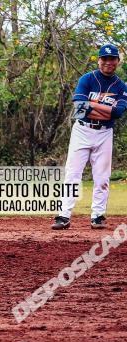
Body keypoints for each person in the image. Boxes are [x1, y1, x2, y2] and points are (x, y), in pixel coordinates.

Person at [52, 44, 127, 230]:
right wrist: (105, 110)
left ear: (117, 61)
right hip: (82, 131)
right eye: (105, 59)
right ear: (98, 60)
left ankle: (97, 216)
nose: (108, 62)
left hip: (104, 133)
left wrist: (92, 105)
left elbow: (117, 113)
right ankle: (63, 215)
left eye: (112, 59)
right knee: (72, 174)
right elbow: (79, 109)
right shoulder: (87, 79)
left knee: (102, 177)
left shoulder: (120, 86)